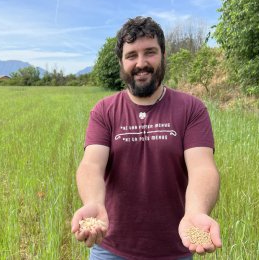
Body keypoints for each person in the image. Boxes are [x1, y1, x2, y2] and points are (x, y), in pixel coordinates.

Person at [71, 16, 222, 260]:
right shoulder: (104, 110)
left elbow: (203, 168)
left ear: (163, 55)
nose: (141, 63)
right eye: (131, 55)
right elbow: (91, 164)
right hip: (110, 248)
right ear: (122, 61)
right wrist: (93, 202)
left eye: (149, 52)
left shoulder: (191, 108)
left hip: (176, 248)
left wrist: (196, 211)